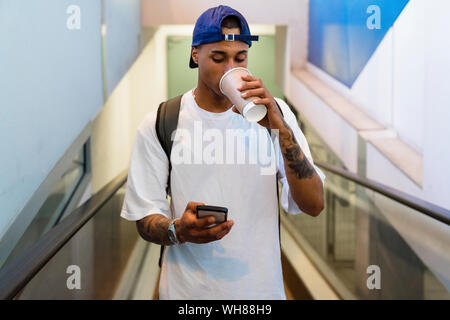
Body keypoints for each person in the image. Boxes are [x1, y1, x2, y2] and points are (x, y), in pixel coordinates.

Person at [120, 5, 325, 300]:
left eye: (240, 58)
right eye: (218, 58)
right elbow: (145, 219)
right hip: (186, 295)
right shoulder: (160, 122)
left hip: (260, 293)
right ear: (195, 55)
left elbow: (314, 204)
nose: (231, 69)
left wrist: (280, 128)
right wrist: (179, 230)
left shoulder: (276, 115)